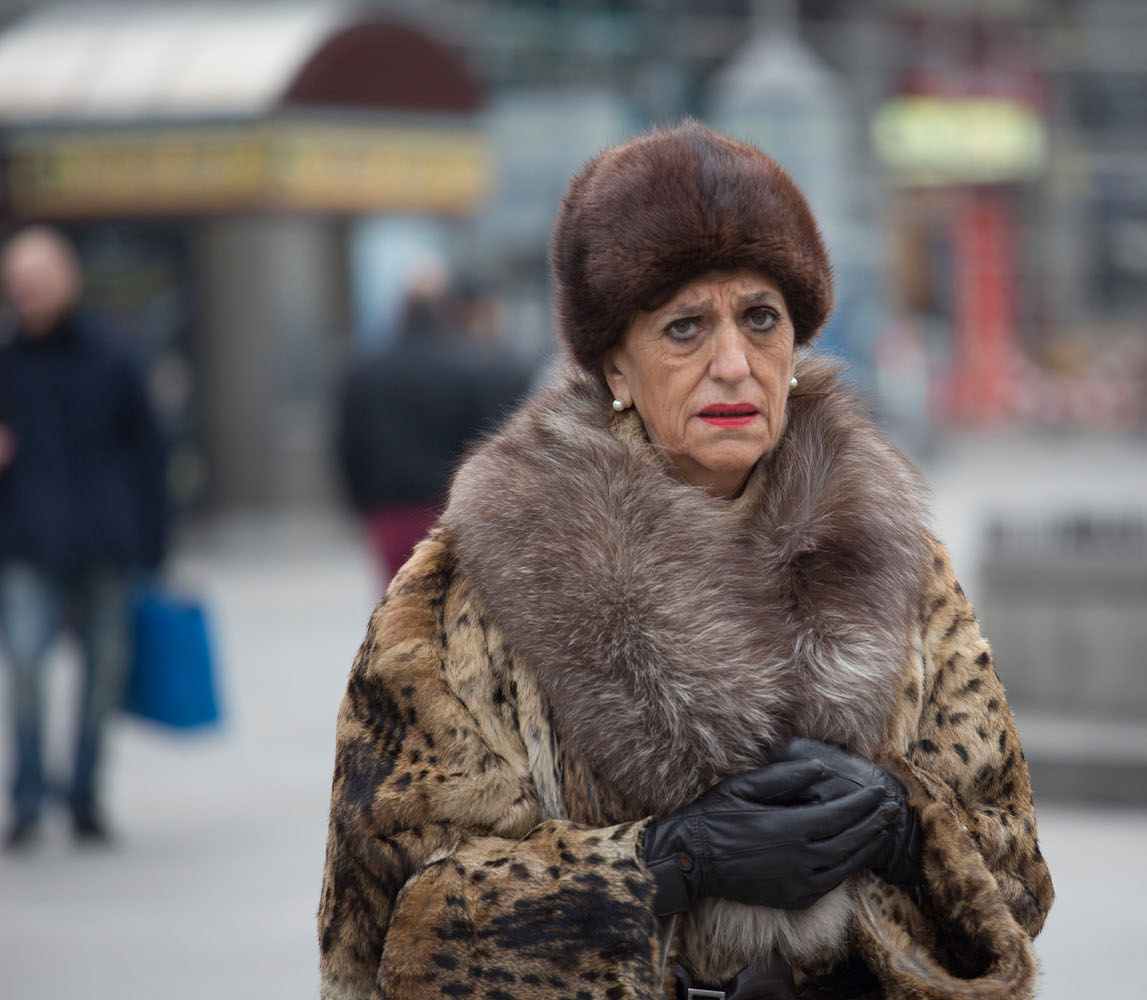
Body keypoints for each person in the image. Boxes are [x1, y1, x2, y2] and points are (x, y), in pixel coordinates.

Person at [317, 122, 1053, 1000]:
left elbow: (1016, 886)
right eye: (685, 328)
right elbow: (399, 942)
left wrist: (904, 831)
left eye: (761, 319)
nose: (733, 365)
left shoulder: (898, 562)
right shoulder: (464, 596)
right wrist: (666, 866)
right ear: (614, 364)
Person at [0, 226, 167, 850]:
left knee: (103, 673)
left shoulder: (112, 354)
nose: (27, 296)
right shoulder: (6, 359)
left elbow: (149, 452)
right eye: (17, 286)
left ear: (67, 280)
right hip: (25, 540)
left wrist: (154, 545)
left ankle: (85, 795)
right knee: (22, 664)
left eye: (37, 283)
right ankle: (26, 797)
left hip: (104, 539)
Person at [335, 265, 532, 584]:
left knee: (396, 600)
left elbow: (348, 445)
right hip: (445, 508)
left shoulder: (364, 371)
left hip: (388, 511)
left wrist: (362, 505)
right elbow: (481, 440)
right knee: (447, 603)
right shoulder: (467, 367)